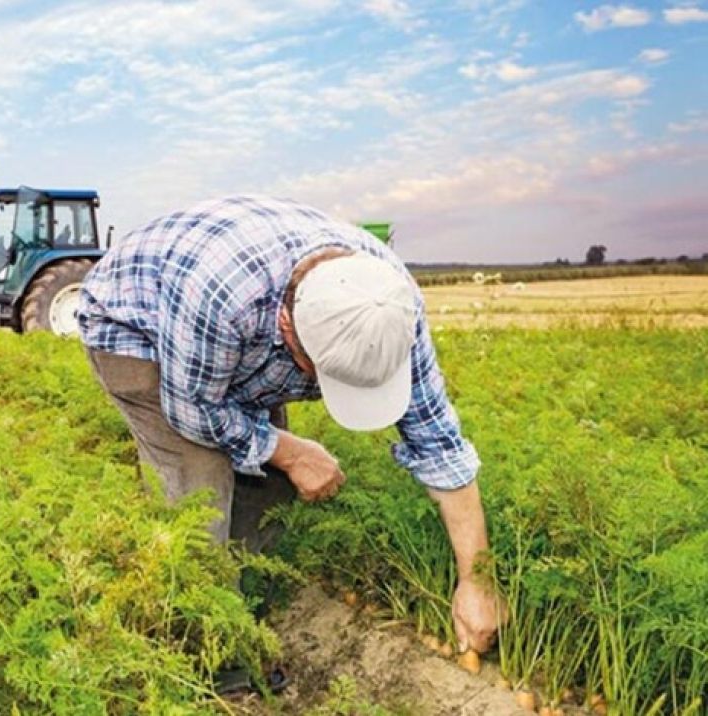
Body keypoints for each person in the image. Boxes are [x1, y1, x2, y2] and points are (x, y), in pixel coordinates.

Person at [77, 195, 503, 659]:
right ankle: (201, 647)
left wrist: (477, 581)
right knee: (199, 493)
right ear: (287, 326)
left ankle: (242, 601)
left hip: (231, 336)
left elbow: (438, 442)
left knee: (269, 485)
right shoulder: (222, 296)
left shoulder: (389, 305)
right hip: (137, 329)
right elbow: (193, 412)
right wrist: (292, 451)